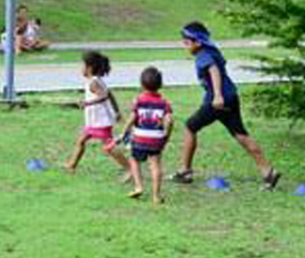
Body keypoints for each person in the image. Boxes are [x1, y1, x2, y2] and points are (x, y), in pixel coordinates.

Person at [172, 21, 282, 190]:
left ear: (198, 42)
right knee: (241, 135)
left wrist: (217, 95)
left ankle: (185, 171)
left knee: (189, 127)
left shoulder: (204, 55)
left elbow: (214, 70)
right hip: (231, 97)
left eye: (187, 42)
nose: (185, 46)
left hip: (218, 102)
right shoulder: (211, 50)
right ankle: (268, 172)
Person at [64, 51, 129, 176]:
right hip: (94, 121)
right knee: (81, 141)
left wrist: (87, 103)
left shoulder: (93, 83)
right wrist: (117, 111)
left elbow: (104, 96)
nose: (81, 69)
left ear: (89, 68)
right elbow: (110, 95)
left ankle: (130, 168)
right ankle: (72, 165)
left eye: (83, 66)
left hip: (100, 122)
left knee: (109, 148)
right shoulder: (97, 80)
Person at [120, 67, 174, 204]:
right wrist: (166, 134)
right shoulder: (164, 103)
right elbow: (169, 120)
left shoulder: (139, 101)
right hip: (156, 139)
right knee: (155, 165)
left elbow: (133, 117)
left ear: (142, 85)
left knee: (134, 160)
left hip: (139, 138)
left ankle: (138, 186)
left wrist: (124, 131)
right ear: (160, 85)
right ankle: (156, 196)